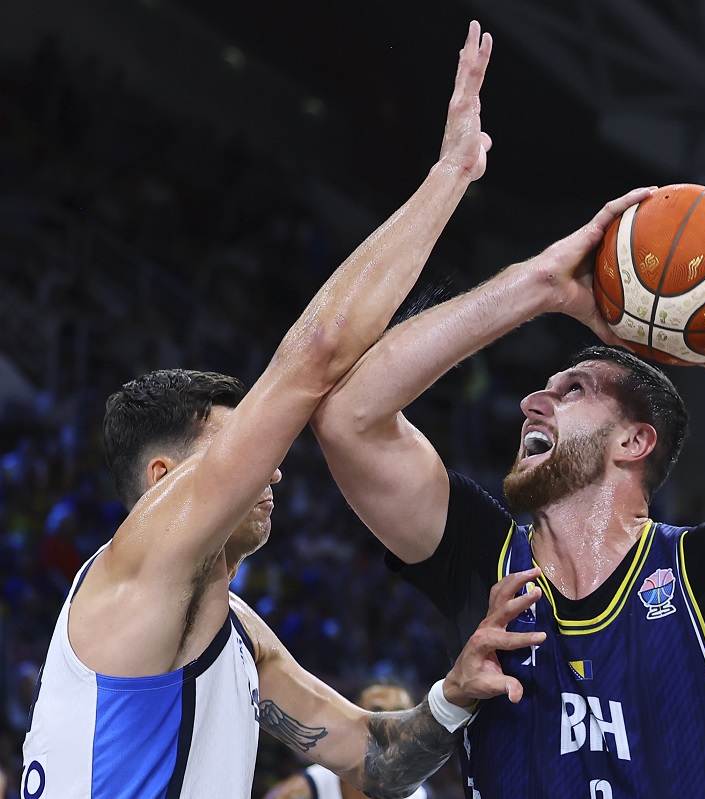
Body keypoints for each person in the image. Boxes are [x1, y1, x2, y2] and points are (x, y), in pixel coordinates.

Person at [19, 23, 548, 799]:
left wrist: (455, 693)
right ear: (163, 479)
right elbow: (318, 354)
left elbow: (375, 760)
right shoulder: (135, 573)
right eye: (238, 446)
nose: (272, 464)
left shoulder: (235, 633)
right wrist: (450, 176)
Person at [310, 209, 705, 797]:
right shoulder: (482, 558)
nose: (533, 401)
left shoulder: (702, 569)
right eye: (544, 389)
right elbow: (349, 418)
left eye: (572, 390)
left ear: (634, 442)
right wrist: (537, 285)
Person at [264, 681, 433, 799]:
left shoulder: (422, 794)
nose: (388, 725)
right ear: (353, 722)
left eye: (400, 714)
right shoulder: (299, 792)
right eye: (377, 712)